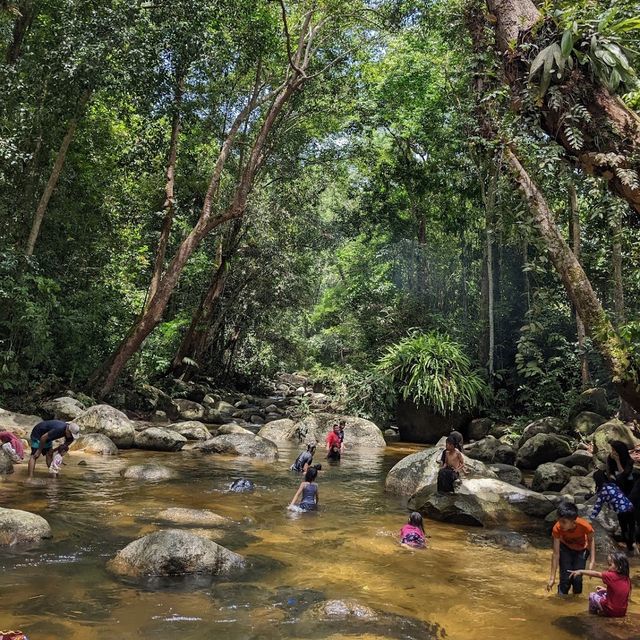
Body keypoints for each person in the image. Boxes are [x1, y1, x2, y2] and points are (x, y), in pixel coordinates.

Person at [548, 500, 595, 595]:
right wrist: (552, 577)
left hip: (581, 549)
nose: (560, 524)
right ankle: (561, 601)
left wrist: (592, 561)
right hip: (565, 548)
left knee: (577, 579)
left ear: (573, 521)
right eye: (559, 520)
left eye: (564, 522)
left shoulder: (584, 525)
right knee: (565, 579)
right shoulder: (557, 528)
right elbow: (556, 554)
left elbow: (591, 540)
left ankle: (576, 602)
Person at [570, 551, 631, 617]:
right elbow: (619, 593)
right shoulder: (627, 579)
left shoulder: (611, 575)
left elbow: (596, 574)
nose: (608, 568)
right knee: (603, 593)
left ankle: (592, 614)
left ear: (619, 567)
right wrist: (605, 589)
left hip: (611, 611)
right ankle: (602, 610)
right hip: (622, 612)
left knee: (592, 596)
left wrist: (580, 571)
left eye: (610, 565)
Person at [590, 469, 635, 552]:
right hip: (630, 507)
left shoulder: (603, 490)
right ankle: (633, 545)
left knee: (624, 529)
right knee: (631, 528)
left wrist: (591, 517)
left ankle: (630, 549)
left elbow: (598, 505)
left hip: (622, 511)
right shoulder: (613, 485)